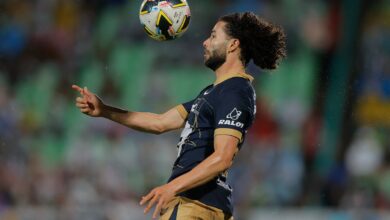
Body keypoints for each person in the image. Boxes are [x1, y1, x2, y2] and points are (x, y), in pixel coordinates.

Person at [72, 12, 286, 220]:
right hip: (208, 204)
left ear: (233, 45)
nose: (205, 42)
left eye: (213, 36)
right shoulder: (213, 93)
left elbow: (223, 157)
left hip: (193, 204)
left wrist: (172, 187)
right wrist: (105, 110)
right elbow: (160, 123)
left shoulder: (236, 90)